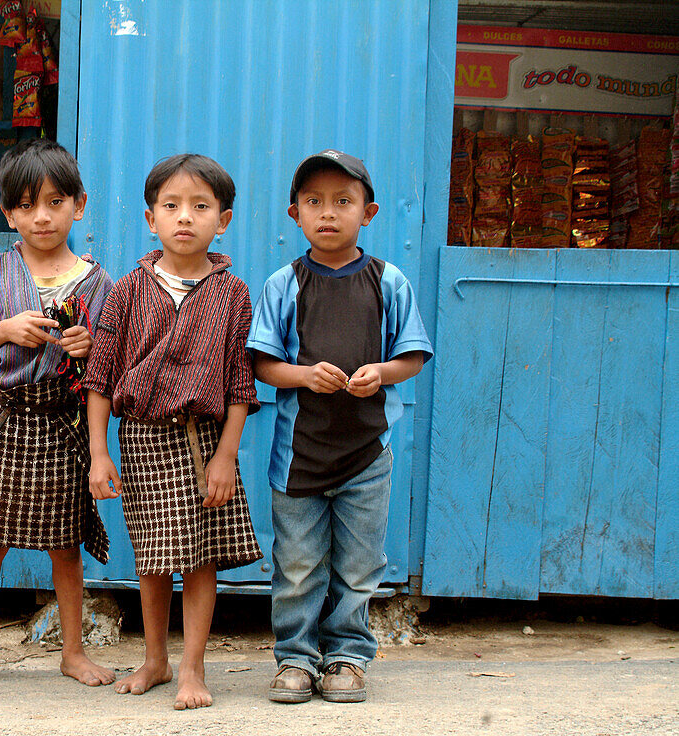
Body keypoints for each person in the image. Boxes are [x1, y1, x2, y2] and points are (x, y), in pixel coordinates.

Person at [247, 150, 433, 703]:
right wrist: (304, 375)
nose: (328, 213)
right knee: (299, 564)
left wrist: (382, 372)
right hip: (298, 454)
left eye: (343, 202)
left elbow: (413, 355)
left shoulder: (388, 280)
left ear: (369, 213)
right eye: (314, 202)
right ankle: (296, 660)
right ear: (294, 214)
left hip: (367, 452)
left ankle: (348, 657)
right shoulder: (285, 283)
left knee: (359, 564)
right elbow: (262, 363)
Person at [85, 153, 262, 710]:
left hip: (207, 437)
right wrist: (98, 454)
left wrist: (226, 457)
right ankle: (156, 659)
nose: (185, 217)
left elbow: (240, 383)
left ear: (223, 220)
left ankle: (192, 667)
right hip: (142, 436)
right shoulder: (128, 290)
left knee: (200, 557)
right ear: (151, 218)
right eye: (171, 206)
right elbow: (101, 378)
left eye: (200, 206)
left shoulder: (233, 295)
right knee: (155, 555)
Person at [0, 138, 114, 693]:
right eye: (27, 204)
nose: (42, 216)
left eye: (56, 202)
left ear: (78, 205)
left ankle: (73, 652)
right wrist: (2, 331)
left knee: (65, 544)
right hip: (4, 422)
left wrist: (91, 349)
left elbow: (111, 368)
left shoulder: (98, 283)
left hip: (66, 426)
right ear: (9, 212)